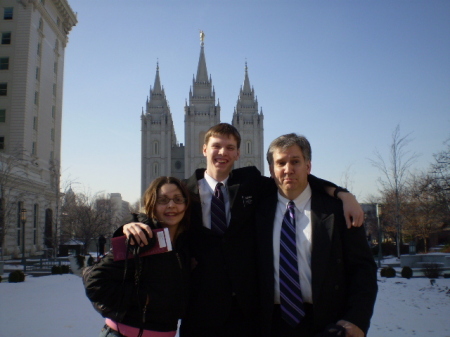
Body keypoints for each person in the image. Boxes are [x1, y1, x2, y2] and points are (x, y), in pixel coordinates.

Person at [124, 123, 364, 337]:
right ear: (204, 149)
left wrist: (342, 193)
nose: (222, 153)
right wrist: (135, 223)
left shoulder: (251, 184)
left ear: (238, 153)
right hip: (199, 313)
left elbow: (293, 178)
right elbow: (160, 208)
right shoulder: (185, 191)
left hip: (247, 315)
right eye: (216, 146)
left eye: (230, 148)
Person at [256, 133, 378, 337]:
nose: (288, 169)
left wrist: (357, 320)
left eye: (295, 161)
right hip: (271, 324)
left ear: (308, 166)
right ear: (271, 170)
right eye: (281, 163)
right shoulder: (257, 211)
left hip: (327, 323)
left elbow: (363, 270)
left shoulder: (338, 211)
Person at [83, 177, 191, 337]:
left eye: (178, 199)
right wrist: (143, 299)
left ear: (186, 204)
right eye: (162, 200)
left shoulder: (184, 245)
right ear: (151, 204)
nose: (171, 205)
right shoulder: (140, 237)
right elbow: (94, 282)